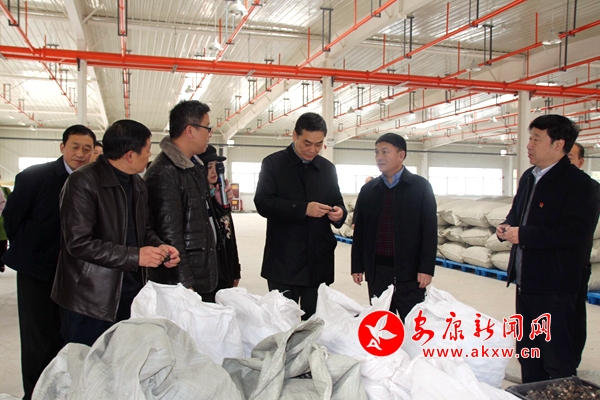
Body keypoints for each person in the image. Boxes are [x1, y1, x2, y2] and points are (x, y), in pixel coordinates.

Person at [52, 120, 180, 346]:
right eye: (148, 149)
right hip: (91, 301)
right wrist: (136, 256)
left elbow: (143, 229)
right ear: (130, 155)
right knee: (87, 361)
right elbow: (79, 243)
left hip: (130, 293)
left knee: (123, 358)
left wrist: (160, 247)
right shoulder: (82, 182)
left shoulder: (137, 184)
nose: (150, 155)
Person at [497, 115, 599, 383]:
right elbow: (517, 213)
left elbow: (576, 232)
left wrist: (524, 234)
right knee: (529, 352)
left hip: (556, 287)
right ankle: (532, 393)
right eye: (530, 138)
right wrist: (507, 226)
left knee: (557, 355)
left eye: (536, 139)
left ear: (558, 144)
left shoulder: (580, 185)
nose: (529, 145)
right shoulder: (529, 177)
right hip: (526, 282)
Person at [2, 125, 95, 400]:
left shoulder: (92, 180)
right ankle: (34, 394)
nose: (80, 154)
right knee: (37, 339)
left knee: (66, 336)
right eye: (75, 147)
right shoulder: (35, 177)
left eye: (87, 149)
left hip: (75, 274)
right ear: (62, 147)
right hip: (37, 272)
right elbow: (12, 219)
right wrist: (32, 250)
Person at [254, 112, 347, 319]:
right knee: (282, 321)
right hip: (284, 262)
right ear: (295, 135)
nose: (312, 150)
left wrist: (339, 212)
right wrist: (303, 209)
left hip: (318, 262)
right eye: (307, 143)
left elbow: (337, 201)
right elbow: (263, 203)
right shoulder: (273, 164)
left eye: (319, 144)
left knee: (315, 322)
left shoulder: (327, 169)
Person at [145, 100, 232, 303]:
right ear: (190, 130)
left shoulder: (194, 166)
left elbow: (200, 218)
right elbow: (169, 236)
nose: (210, 134)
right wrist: (185, 285)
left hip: (202, 273)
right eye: (207, 127)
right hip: (186, 283)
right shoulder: (164, 172)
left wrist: (218, 204)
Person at [351, 133, 436, 322]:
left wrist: (426, 268)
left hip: (410, 274)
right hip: (377, 273)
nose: (379, 157)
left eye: (385, 152)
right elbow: (360, 232)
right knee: (382, 325)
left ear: (401, 155)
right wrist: (357, 266)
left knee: (413, 325)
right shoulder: (368, 191)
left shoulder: (420, 187)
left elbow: (429, 231)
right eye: (376, 152)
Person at [567, 141, 600, 368]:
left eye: (569, 158)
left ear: (580, 162)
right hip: (550, 268)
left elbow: (578, 231)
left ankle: (571, 362)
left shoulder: (588, 189)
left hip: (576, 265)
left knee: (574, 315)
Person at [198, 145, 241, 291]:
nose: (214, 171)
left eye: (216, 166)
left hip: (225, 271)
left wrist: (235, 270)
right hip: (208, 275)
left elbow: (229, 237)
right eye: (209, 166)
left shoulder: (221, 195)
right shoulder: (197, 199)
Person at [0, 177, 9, 273]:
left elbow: (9, 203)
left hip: (2, 220)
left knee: (2, 244)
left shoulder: (5, 190)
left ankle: (1, 263)